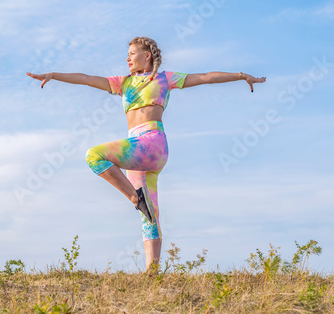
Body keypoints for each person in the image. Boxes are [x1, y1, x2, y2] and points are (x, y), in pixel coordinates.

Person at [26, 36, 266, 275]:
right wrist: (54, 75)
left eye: (132, 53)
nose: (127, 58)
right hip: (136, 152)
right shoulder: (123, 83)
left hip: (152, 143)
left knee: (94, 155)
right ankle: (153, 273)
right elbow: (87, 79)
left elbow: (205, 77)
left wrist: (242, 75)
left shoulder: (165, 78)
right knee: (150, 215)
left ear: (147, 55)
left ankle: (134, 198)